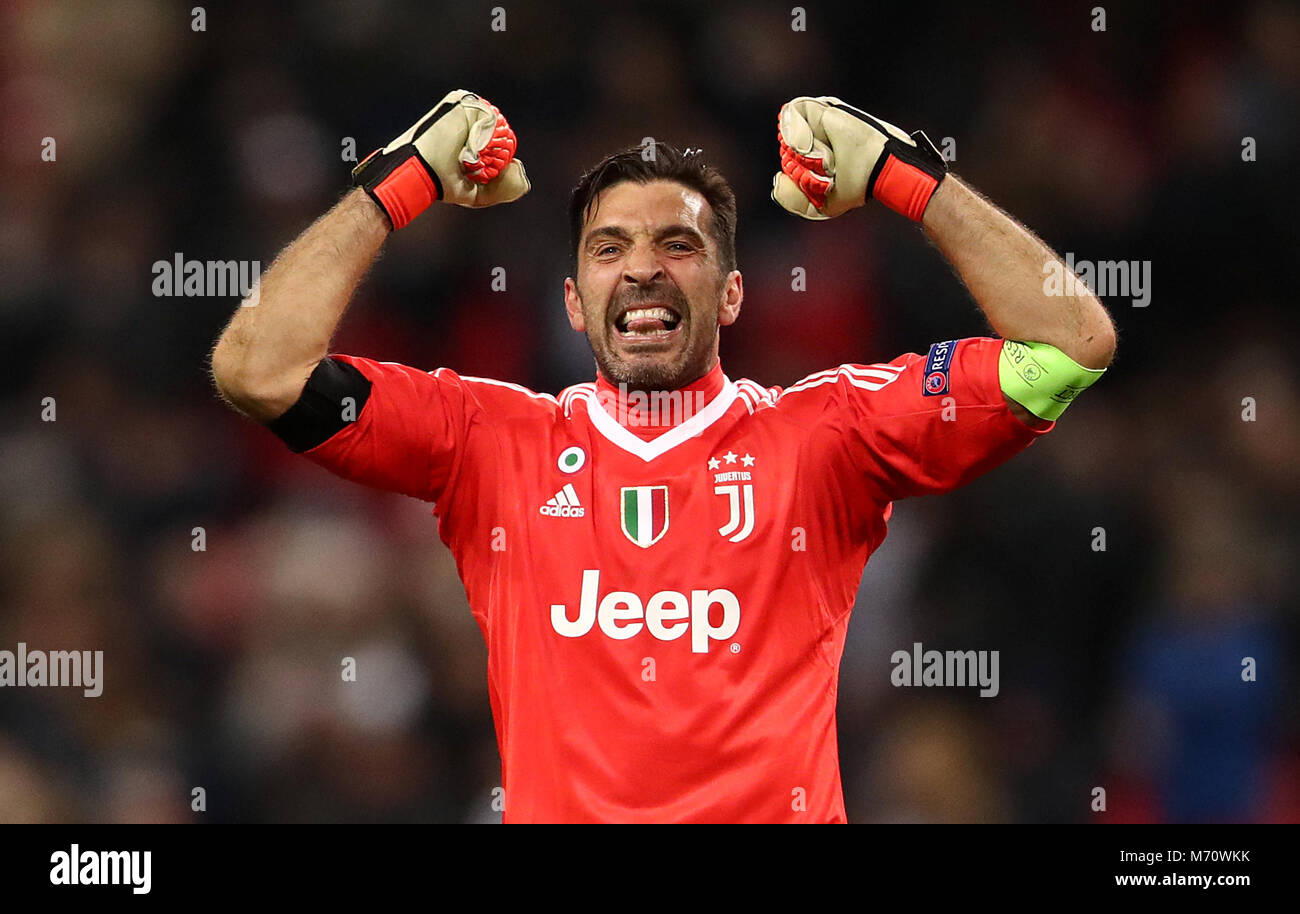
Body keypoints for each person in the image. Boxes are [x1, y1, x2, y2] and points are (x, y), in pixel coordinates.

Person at [209, 90, 1116, 823]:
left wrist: (901, 175)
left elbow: (1071, 345)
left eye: (676, 245)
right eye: (611, 249)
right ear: (573, 300)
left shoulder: (828, 436)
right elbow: (258, 369)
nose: (643, 268)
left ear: (729, 296)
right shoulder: (486, 442)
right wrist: (397, 182)